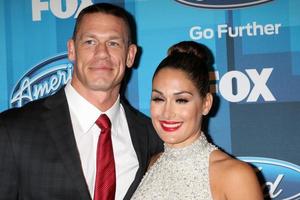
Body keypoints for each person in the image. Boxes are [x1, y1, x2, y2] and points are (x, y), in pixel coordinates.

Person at [0, 3, 162, 200]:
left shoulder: (152, 137)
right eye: (90, 42)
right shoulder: (12, 131)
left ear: (130, 55)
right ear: (72, 50)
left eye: (113, 43)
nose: (102, 53)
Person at [131, 41, 264, 200]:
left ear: (206, 104)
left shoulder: (235, 176)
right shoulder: (151, 164)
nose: (167, 113)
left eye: (181, 100)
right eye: (159, 99)